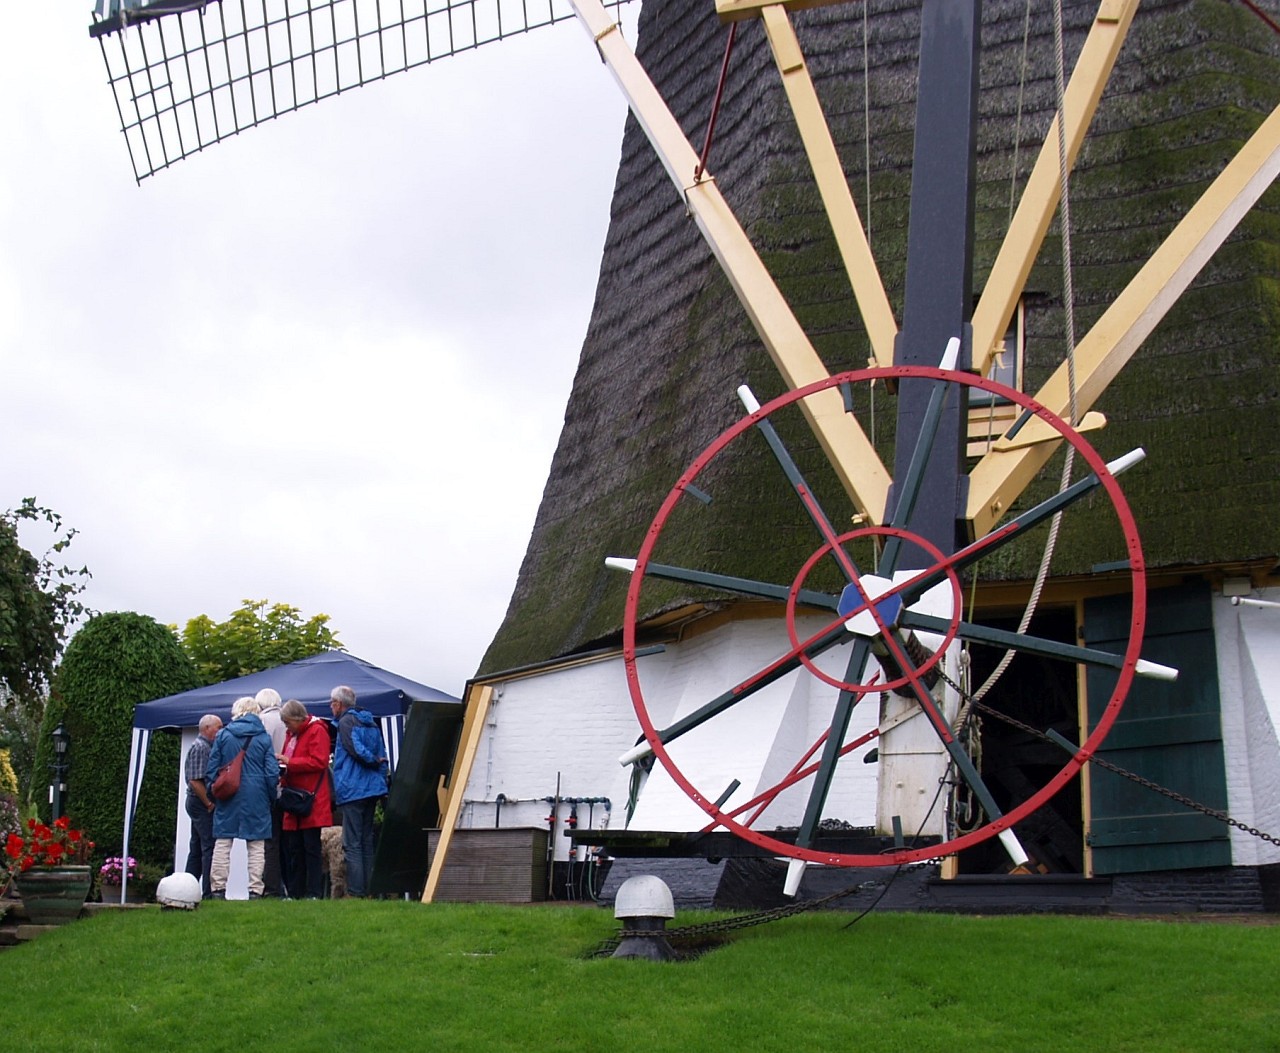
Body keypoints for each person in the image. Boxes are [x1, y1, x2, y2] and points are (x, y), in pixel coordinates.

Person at [206, 695, 280, 899]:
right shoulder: (263, 737)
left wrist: (215, 790)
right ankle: (255, 890)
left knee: (223, 841)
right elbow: (272, 772)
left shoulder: (223, 735)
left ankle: (218, 889)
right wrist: (271, 796)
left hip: (228, 793)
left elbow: (212, 768)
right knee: (256, 844)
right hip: (257, 794)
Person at [329, 684, 387, 898]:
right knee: (366, 842)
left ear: (340, 704)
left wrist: (371, 760)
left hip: (353, 789)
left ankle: (356, 891)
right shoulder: (370, 722)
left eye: (332, 703)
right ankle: (371, 889)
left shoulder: (346, 722)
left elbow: (355, 749)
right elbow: (382, 752)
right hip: (371, 789)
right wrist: (380, 773)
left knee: (352, 843)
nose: (330, 707)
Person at [278, 698, 333, 899]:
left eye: (287, 722)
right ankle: (295, 892)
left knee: (311, 848)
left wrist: (290, 762)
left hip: (311, 799)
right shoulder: (292, 734)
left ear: (298, 718)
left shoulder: (317, 730)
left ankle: (313, 892)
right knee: (294, 848)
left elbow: (319, 761)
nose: (286, 727)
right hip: (294, 798)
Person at [183, 713, 222, 898]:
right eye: (218, 727)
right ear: (207, 728)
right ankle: (208, 892)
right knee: (209, 846)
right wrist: (209, 803)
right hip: (200, 803)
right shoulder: (201, 748)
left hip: (198, 803)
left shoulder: (206, 747)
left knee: (197, 847)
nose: (220, 731)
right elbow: (195, 781)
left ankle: (186, 889)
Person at [254, 687, 286, 897]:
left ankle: (271, 887)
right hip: (287, 786)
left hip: (269, 786)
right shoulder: (286, 719)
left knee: (269, 841)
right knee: (283, 841)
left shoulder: (262, 722)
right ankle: (283, 885)